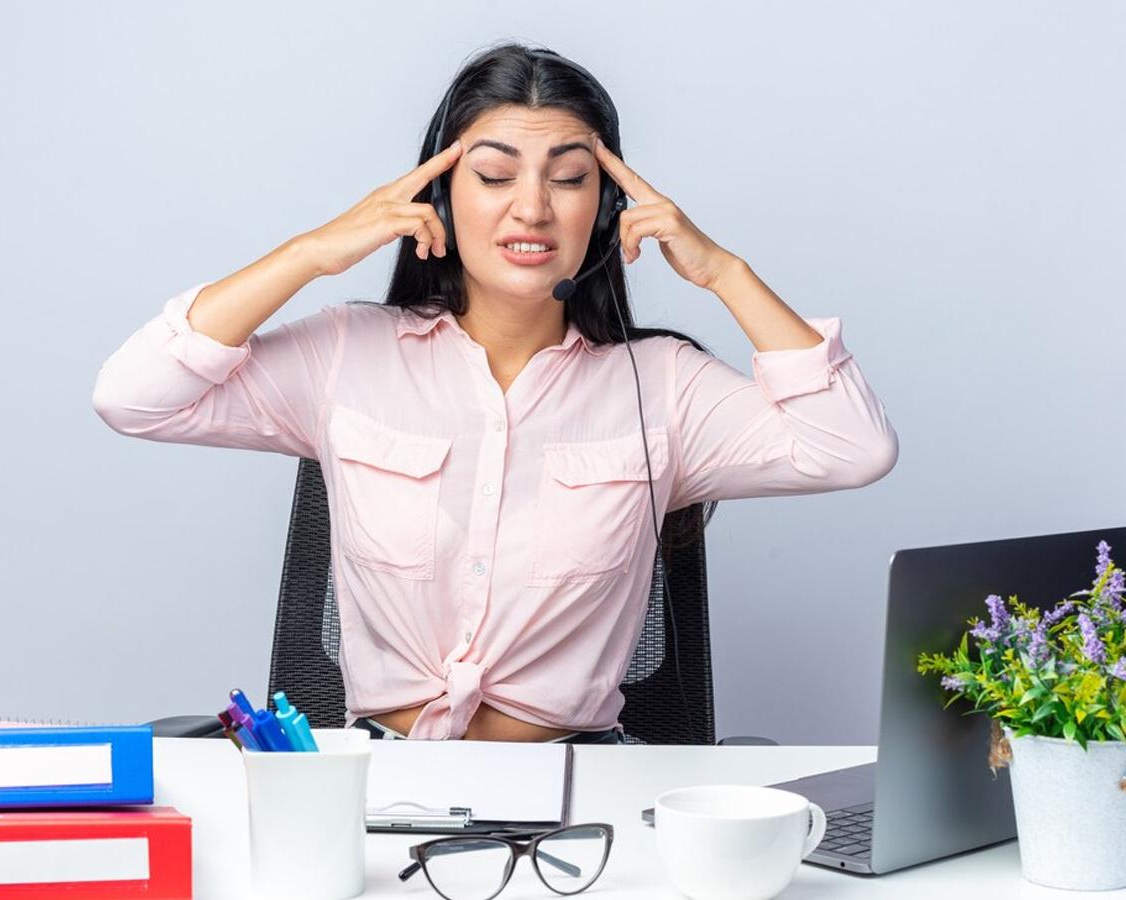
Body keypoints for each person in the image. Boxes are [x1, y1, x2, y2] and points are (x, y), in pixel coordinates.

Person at [92, 42, 898, 744]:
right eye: (494, 174)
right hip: (379, 786)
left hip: (579, 791)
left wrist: (723, 271)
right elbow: (135, 395)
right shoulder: (347, 354)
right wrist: (313, 252)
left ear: (608, 208)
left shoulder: (663, 387)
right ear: (441, 197)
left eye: (571, 178)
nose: (533, 207)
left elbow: (852, 447)